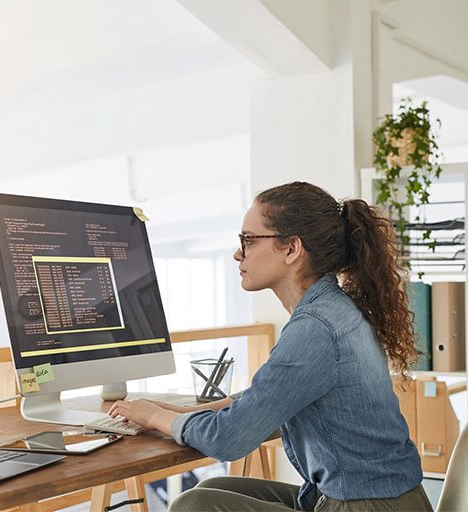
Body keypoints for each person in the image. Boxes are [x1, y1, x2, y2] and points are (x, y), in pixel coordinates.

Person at [108, 182, 432, 511]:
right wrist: (185, 413)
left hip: (367, 506)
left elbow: (229, 439)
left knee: (196, 506)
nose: (238, 253)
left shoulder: (316, 328)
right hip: (379, 499)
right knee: (212, 488)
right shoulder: (330, 309)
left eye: (248, 240)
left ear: (291, 249)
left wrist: (153, 416)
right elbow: (272, 400)